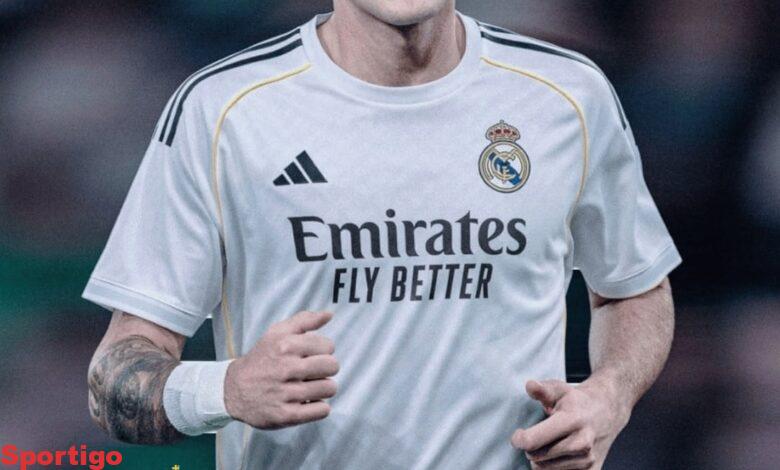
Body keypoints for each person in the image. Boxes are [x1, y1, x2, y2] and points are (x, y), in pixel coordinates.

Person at [84, 1, 681, 468]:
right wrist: (227, 389)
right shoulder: (223, 111)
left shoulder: (568, 95)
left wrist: (609, 397)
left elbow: (632, 288)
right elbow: (113, 377)